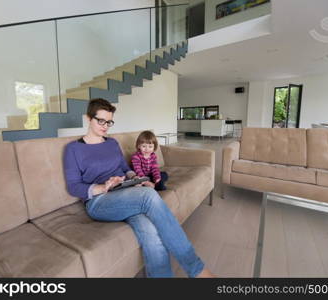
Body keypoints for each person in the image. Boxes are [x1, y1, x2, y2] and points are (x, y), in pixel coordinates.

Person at [63, 98, 215, 278]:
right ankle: (197, 270)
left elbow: (125, 169)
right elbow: (74, 187)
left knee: (150, 229)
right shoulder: (73, 149)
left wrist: (135, 178)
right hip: (99, 201)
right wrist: (103, 186)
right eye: (101, 121)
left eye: (109, 122)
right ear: (88, 118)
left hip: (125, 192)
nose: (105, 126)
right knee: (149, 195)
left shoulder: (112, 143)